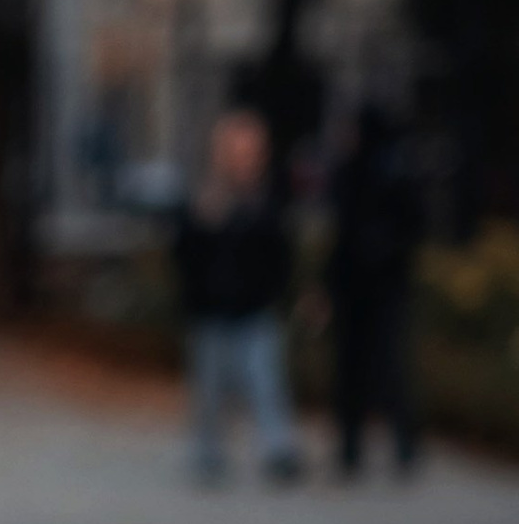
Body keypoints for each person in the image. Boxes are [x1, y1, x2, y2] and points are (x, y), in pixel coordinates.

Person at [174, 109, 303, 484]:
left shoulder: (266, 198)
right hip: (210, 310)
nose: (244, 159)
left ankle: (279, 449)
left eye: (251, 150)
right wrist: (201, 222)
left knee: (267, 382)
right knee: (209, 390)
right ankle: (208, 453)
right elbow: (182, 254)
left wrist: (284, 293)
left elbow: (281, 251)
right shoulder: (203, 196)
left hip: (256, 307)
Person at [326, 101, 423, 478]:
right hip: (352, 289)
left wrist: (384, 247)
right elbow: (339, 235)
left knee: (390, 368)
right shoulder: (348, 171)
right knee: (349, 371)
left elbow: (414, 228)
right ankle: (350, 449)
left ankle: (405, 445)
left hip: (387, 289)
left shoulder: (396, 174)